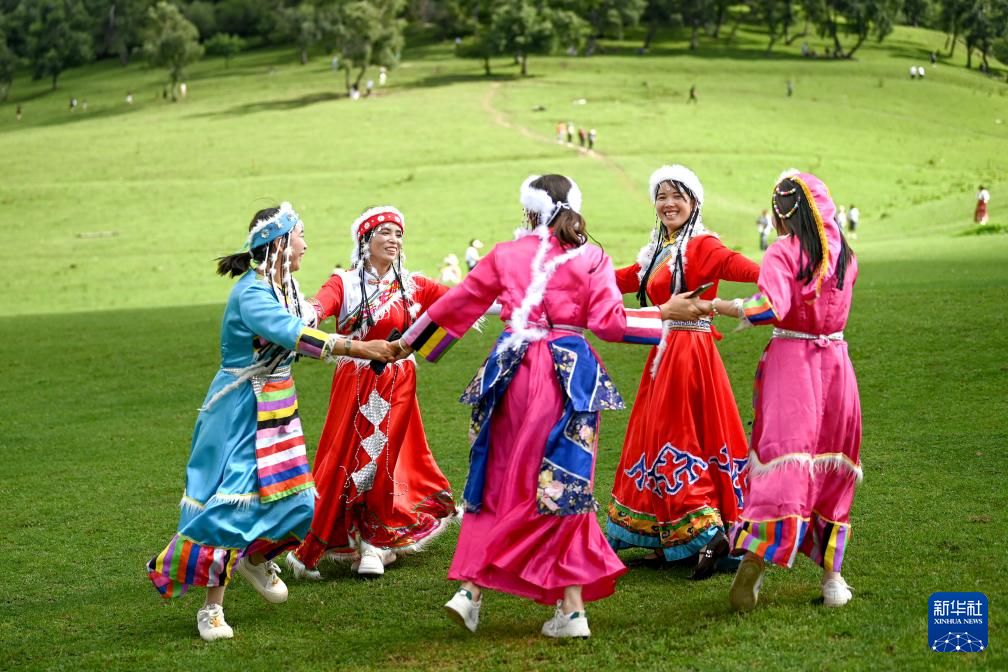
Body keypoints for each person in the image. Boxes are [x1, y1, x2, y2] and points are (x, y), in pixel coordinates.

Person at [398, 174, 704, 638]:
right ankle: (569, 610)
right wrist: (663, 313)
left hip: (510, 374)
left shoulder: (504, 253)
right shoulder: (592, 257)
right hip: (568, 378)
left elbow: (459, 303)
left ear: (530, 211)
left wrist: (405, 344)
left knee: (497, 478)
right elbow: (609, 323)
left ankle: (476, 590)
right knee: (565, 487)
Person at [146, 203, 396, 641]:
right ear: (278, 243)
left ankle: (255, 560)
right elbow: (293, 333)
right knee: (231, 506)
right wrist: (361, 349)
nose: (306, 243)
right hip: (241, 410)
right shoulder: (252, 294)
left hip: (278, 405)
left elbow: (310, 317)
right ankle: (211, 610)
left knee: (300, 505)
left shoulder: (286, 288)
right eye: (301, 234)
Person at [711, 171, 860, 611]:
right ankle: (833, 578)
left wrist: (721, 305)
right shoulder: (847, 256)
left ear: (780, 212)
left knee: (781, 459)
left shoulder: (782, 251)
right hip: (836, 368)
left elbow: (768, 306)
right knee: (832, 463)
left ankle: (757, 555)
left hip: (792, 367)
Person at [286, 206, 459, 580]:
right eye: (384, 233)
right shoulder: (344, 283)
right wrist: (300, 314)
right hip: (356, 380)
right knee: (347, 456)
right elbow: (317, 309)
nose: (394, 240)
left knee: (382, 455)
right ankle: (345, 535)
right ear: (365, 240)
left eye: (398, 234)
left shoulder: (414, 286)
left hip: (397, 382)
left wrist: (517, 298)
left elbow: (462, 303)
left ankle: (374, 544)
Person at [605, 165, 760, 579]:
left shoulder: (701, 245)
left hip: (689, 353)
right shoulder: (659, 250)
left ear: (694, 203)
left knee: (677, 436)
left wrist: (780, 274)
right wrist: (569, 271)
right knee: (659, 436)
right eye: (661, 196)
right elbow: (620, 278)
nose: (668, 204)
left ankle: (709, 534)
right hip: (664, 353)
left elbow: (738, 266)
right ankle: (668, 534)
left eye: (677, 196)